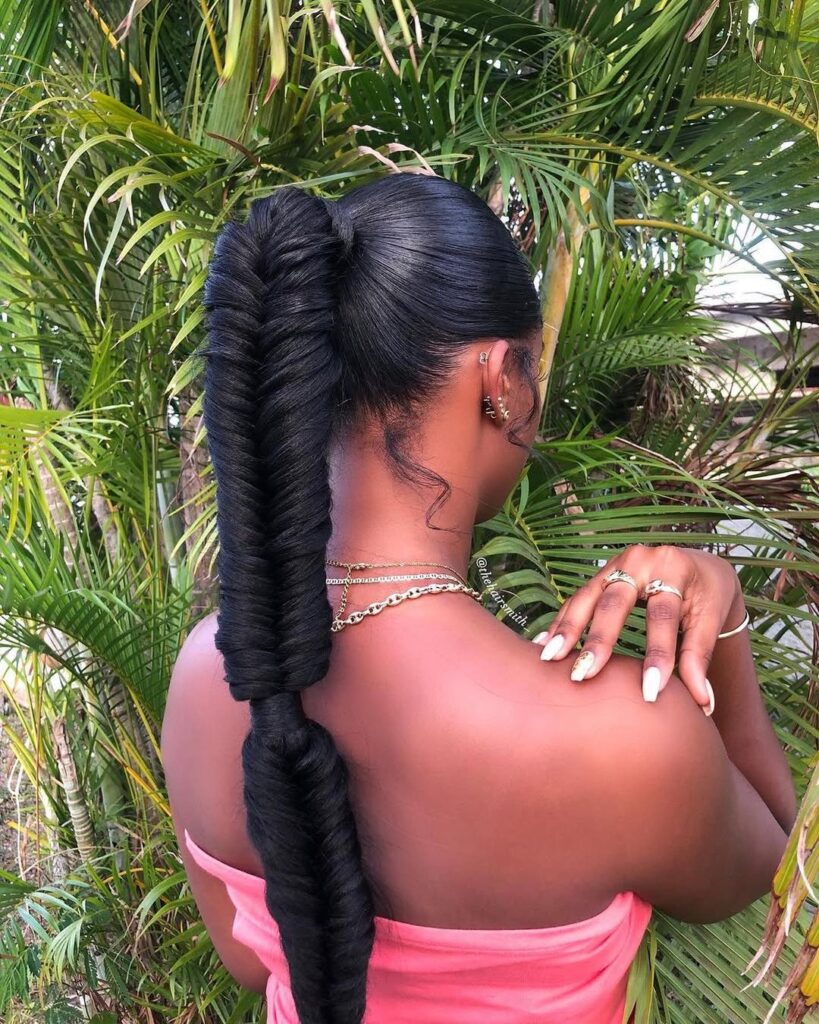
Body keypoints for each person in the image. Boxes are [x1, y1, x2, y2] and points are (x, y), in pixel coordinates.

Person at [160, 173, 797, 1024]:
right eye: (532, 368)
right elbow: (770, 868)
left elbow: (251, 960)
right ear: (499, 378)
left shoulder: (209, 671)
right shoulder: (619, 739)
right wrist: (722, 620)